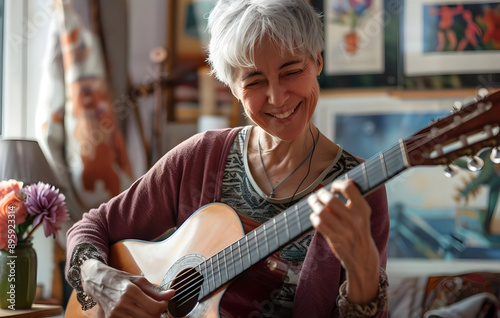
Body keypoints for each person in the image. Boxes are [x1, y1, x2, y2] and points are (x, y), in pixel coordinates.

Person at [65, 0, 390, 317]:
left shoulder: (359, 187)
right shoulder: (200, 157)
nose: (277, 97)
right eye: (254, 81)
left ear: (317, 62)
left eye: (291, 71)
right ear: (233, 88)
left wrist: (364, 270)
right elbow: (94, 226)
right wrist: (97, 277)